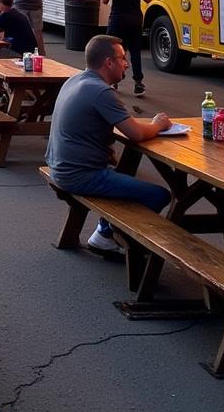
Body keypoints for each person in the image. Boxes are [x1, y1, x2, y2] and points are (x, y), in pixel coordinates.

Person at [46, 35, 171, 254]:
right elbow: (136, 134)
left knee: (125, 175)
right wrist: (158, 124)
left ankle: (105, 233)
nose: (127, 63)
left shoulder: (75, 80)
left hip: (59, 165)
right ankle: (115, 235)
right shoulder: (101, 91)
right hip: (79, 174)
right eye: (123, 58)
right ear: (108, 62)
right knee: (159, 195)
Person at [102, 0, 151, 96]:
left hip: (117, 19)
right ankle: (138, 82)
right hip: (135, 19)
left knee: (114, 51)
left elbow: (104, 0)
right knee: (135, 51)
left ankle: (114, 81)